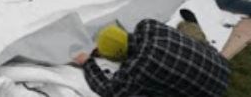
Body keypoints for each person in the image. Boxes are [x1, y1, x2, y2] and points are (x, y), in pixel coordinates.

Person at [73, 19, 231, 97]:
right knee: (186, 28)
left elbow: (108, 91)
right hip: (222, 67)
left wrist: (87, 63)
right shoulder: (149, 26)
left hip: (209, 94)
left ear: (118, 57)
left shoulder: (136, 72)